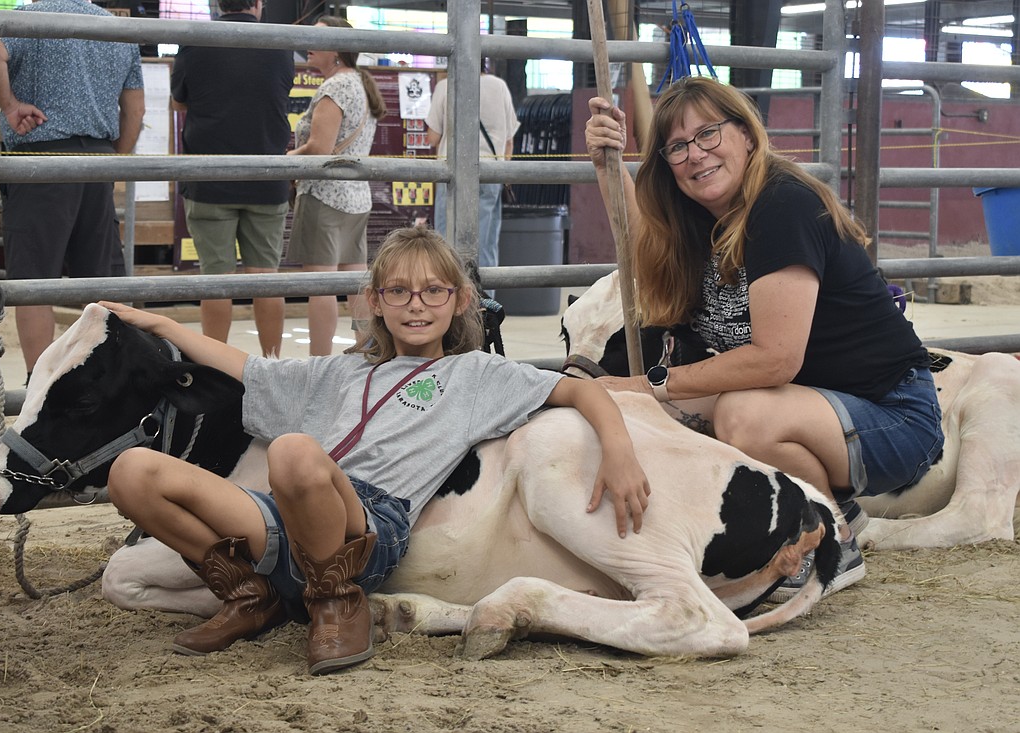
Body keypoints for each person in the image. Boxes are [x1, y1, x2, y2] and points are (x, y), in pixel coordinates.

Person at [101, 226, 650, 675]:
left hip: (368, 529)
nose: (417, 306)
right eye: (399, 292)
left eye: (434, 291)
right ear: (375, 301)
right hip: (288, 515)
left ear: (459, 301)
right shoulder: (342, 371)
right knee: (132, 471)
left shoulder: (476, 373)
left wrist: (619, 451)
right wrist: (164, 324)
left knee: (293, 451)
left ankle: (335, 601)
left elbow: (578, 388)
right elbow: (247, 368)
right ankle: (249, 596)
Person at [584, 77, 944, 600]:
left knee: (741, 414)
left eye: (708, 134)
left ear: (747, 135)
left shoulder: (782, 206)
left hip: (891, 414)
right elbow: (642, 243)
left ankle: (831, 538)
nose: (695, 155)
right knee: (626, 407)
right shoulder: (699, 220)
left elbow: (775, 360)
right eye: (678, 147)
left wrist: (654, 382)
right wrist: (607, 163)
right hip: (811, 404)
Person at [0, 0, 145, 377]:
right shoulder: (115, 28)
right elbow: (136, 111)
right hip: (97, 161)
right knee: (101, 286)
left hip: (40, 161)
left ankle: (41, 387)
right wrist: (112, 162)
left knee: (34, 284)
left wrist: (9, 105)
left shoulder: (27, 16)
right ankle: (104, 382)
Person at [171, 0, 294, 357]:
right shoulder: (279, 43)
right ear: (257, 4)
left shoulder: (196, 40)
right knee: (265, 278)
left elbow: (180, 103)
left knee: (217, 281)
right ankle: (272, 364)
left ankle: (214, 366)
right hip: (267, 176)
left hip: (209, 178)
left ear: (217, 5)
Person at [286, 15, 385, 356]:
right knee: (355, 284)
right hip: (357, 196)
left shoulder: (335, 86)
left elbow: (320, 148)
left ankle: (320, 362)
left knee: (321, 286)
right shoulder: (359, 82)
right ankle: (369, 352)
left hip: (325, 196)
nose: (309, 45)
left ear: (339, 50)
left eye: (319, 39)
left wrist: (287, 159)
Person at [426, 59, 519, 288]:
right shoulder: (499, 86)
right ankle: (486, 310)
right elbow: (509, 141)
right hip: (489, 173)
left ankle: (448, 303)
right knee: (485, 246)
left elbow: (433, 137)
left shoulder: (445, 86)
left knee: (446, 244)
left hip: (451, 174)